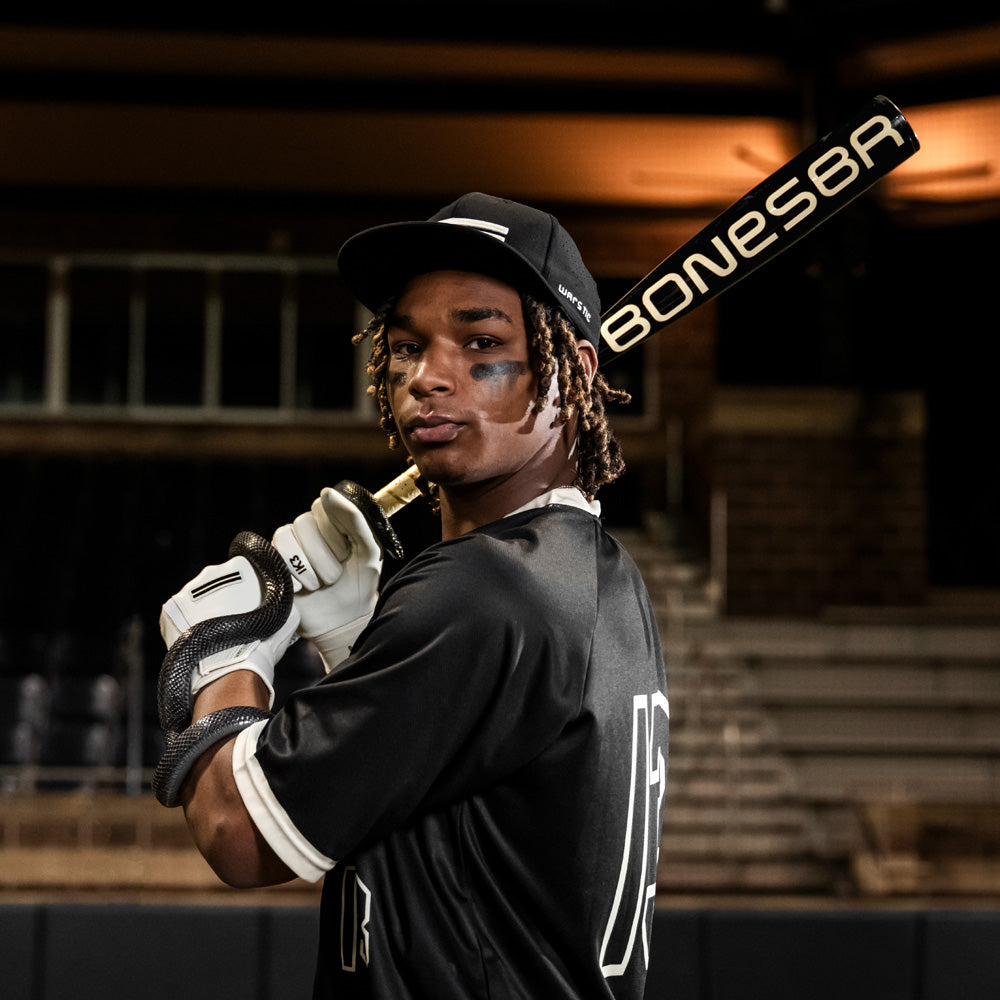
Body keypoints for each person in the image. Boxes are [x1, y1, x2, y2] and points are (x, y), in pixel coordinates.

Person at [155, 192, 669, 999]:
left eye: (481, 343)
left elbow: (237, 833)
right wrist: (363, 650)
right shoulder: (597, 576)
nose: (427, 376)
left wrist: (228, 647)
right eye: (405, 346)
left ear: (575, 373)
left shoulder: (481, 589)